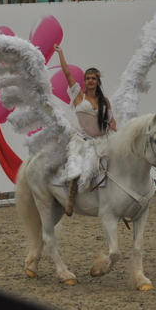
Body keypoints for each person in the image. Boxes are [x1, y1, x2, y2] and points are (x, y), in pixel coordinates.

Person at [54, 44, 116, 216]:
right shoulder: (78, 95)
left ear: (98, 81)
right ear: (84, 81)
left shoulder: (105, 101)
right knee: (77, 165)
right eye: (87, 78)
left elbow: (111, 120)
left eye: (93, 78)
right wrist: (60, 53)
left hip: (103, 139)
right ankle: (70, 199)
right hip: (84, 139)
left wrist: (113, 126)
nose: (90, 81)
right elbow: (67, 73)